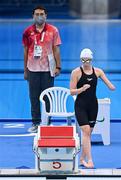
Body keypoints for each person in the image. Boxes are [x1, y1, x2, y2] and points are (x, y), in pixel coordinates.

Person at [70, 48, 115, 168]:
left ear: (91, 60)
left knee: (88, 134)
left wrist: (111, 87)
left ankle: (81, 160)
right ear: (80, 60)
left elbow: (109, 84)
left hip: (93, 106)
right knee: (85, 131)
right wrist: (81, 89)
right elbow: (71, 92)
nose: (86, 63)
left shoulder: (98, 71)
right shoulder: (76, 72)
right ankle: (90, 161)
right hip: (80, 106)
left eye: (88, 60)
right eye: (83, 60)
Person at [22, 5, 61, 133]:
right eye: (37, 14)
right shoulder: (27, 32)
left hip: (48, 69)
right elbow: (26, 51)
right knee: (33, 97)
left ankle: (47, 122)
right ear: (33, 16)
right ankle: (36, 122)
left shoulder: (53, 30)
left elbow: (56, 49)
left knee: (48, 97)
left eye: (42, 14)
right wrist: (25, 70)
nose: (40, 16)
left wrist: (58, 66)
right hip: (32, 68)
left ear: (46, 16)